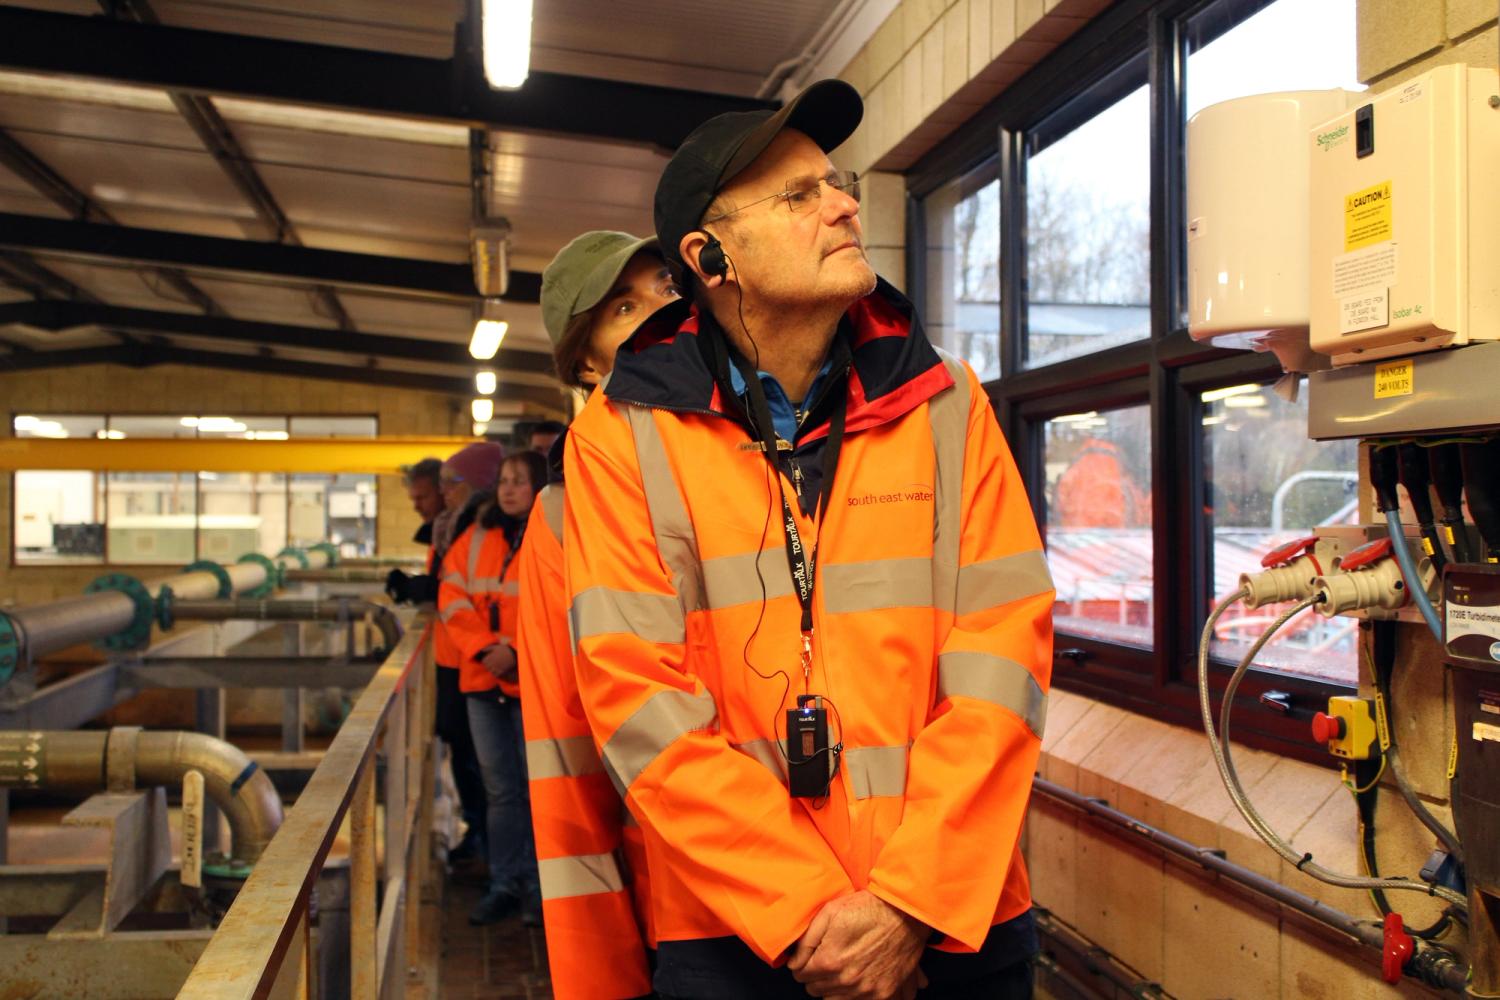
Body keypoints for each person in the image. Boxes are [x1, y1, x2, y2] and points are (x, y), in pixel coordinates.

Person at [561, 80, 1054, 999]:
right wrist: (804, 911)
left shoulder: (948, 404)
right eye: (799, 197)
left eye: (837, 182)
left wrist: (906, 905)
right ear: (712, 259)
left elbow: (1004, 659)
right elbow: (639, 702)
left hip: (953, 925)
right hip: (740, 935)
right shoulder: (620, 436)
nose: (844, 206)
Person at [516, 230, 681, 998]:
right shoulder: (563, 515)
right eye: (625, 306)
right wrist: (603, 979)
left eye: (667, 290)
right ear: (587, 363)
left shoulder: (775, 453)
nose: (658, 314)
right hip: (681, 908)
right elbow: (565, 760)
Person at [440, 449, 549, 927]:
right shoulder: (475, 536)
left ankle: (543, 889)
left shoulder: (557, 534)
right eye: (504, 480)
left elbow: (562, 605)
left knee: (539, 789)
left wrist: (521, 655)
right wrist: (488, 650)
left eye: (519, 481)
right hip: (484, 681)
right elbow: (452, 597)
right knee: (500, 790)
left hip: (536, 682)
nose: (507, 489)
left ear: (539, 486)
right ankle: (505, 882)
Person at [386, 451, 496, 865]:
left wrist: (424, 588)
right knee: (465, 749)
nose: (425, 503)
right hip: (457, 654)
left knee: (476, 756)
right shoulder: (449, 530)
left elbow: (456, 588)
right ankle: (479, 834)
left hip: (473, 658)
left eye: (450, 485)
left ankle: (485, 839)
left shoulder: (473, 528)